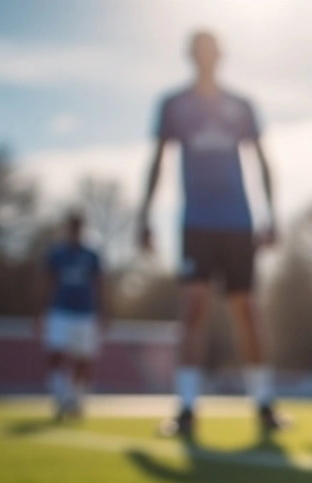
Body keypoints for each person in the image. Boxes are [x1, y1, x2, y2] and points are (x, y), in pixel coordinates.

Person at [137, 30, 284, 441]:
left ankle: (264, 403)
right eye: (199, 50)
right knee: (194, 310)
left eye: (212, 50)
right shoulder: (174, 105)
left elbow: (262, 161)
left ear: (221, 55)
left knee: (248, 312)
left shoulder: (241, 106)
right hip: (196, 223)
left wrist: (271, 215)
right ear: (190, 56)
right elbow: (157, 161)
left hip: (238, 222)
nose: (206, 57)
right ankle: (185, 408)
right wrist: (144, 216)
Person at [40, 210, 105, 421]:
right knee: (55, 354)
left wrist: (104, 311)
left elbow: (100, 284)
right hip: (60, 311)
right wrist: (41, 310)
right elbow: (47, 283)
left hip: (85, 313)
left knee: (83, 360)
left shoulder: (92, 255)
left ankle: (75, 399)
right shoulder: (56, 253)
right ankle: (60, 398)